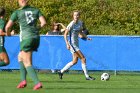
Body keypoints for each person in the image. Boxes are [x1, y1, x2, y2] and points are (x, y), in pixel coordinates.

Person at [5, 0, 46, 90]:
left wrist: (8, 34)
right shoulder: (36, 10)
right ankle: (23, 80)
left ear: (21, 1)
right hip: (36, 38)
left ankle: (37, 83)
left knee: (27, 62)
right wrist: (36, 29)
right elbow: (43, 23)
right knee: (20, 57)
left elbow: (7, 27)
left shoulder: (17, 12)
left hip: (27, 38)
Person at [58, 10, 95, 80]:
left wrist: (87, 37)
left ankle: (61, 71)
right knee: (83, 58)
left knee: (75, 61)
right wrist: (67, 44)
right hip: (72, 44)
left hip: (76, 44)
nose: (76, 16)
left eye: (77, 15)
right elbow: (65, 34)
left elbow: (80, 32)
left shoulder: (80, 23)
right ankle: (87, 76)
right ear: (73, 16)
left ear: (79, 16)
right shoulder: (71, 24)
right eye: (75, 15)